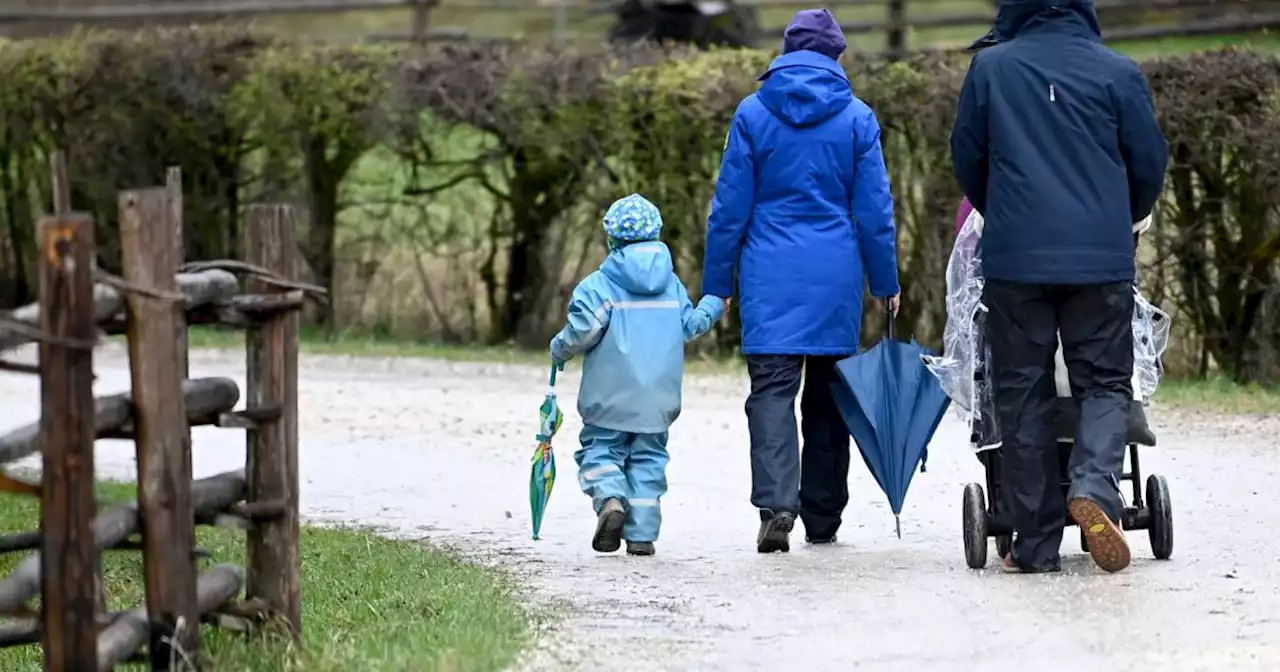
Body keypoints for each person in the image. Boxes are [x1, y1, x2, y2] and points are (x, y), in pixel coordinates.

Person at [950, 0, 1169, 573]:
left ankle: (1035, 545)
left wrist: (1002, 211)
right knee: (1103, 381)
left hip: (1015, 259)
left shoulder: (992, 69)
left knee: (1022, 393)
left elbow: (967, 157)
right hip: (1100, 257)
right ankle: (1095, 486)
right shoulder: (1118, 71)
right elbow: (1148, 162)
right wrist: (1125, 219)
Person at [702, 8, 900, 553]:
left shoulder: (752, 112)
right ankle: (822, 515)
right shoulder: (858, 117)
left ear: (786, 53)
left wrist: (719, 285)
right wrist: (886, 281)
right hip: (835, 275)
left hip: (769, 274)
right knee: (829, 396)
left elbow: (729, 209)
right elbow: (875, 210)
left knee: (771, 391)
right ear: (837, 56)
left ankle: (775, 504)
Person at [550, 194, 725, 557]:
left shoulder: (599, 285)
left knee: (600, 451)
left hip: (608, 399)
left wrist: (559, 349)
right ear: (656, 236)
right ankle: (642, 536)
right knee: (648, 461)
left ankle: (611, 499)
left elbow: (582, 331)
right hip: (658, 401)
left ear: (611, 240)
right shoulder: (671, 284)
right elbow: (690, 326)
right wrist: (712, 303)